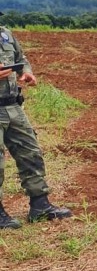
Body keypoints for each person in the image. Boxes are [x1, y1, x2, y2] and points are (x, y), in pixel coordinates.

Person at [0, 12, 72, 229]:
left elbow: (21, 60)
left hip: (13, 106)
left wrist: (27, 73)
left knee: (31, 153)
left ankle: (40, 205)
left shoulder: (5, 35)